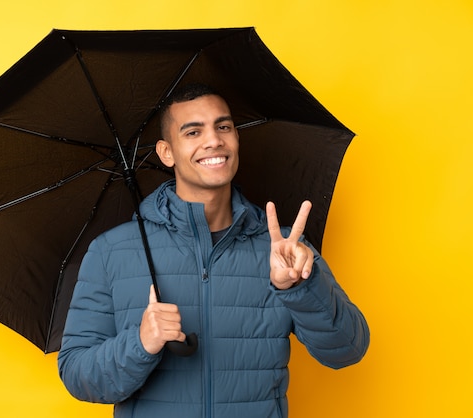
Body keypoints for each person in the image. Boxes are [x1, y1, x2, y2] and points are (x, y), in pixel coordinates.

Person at [58, 84, 369, 418]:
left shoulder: (283, 247)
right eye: (193, 131)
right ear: (167, 153)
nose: (214, 141)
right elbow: (78, 375)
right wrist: (141, 342)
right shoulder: (111, 251)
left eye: (223, 127)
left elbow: (346, 350)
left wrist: (300, 288)